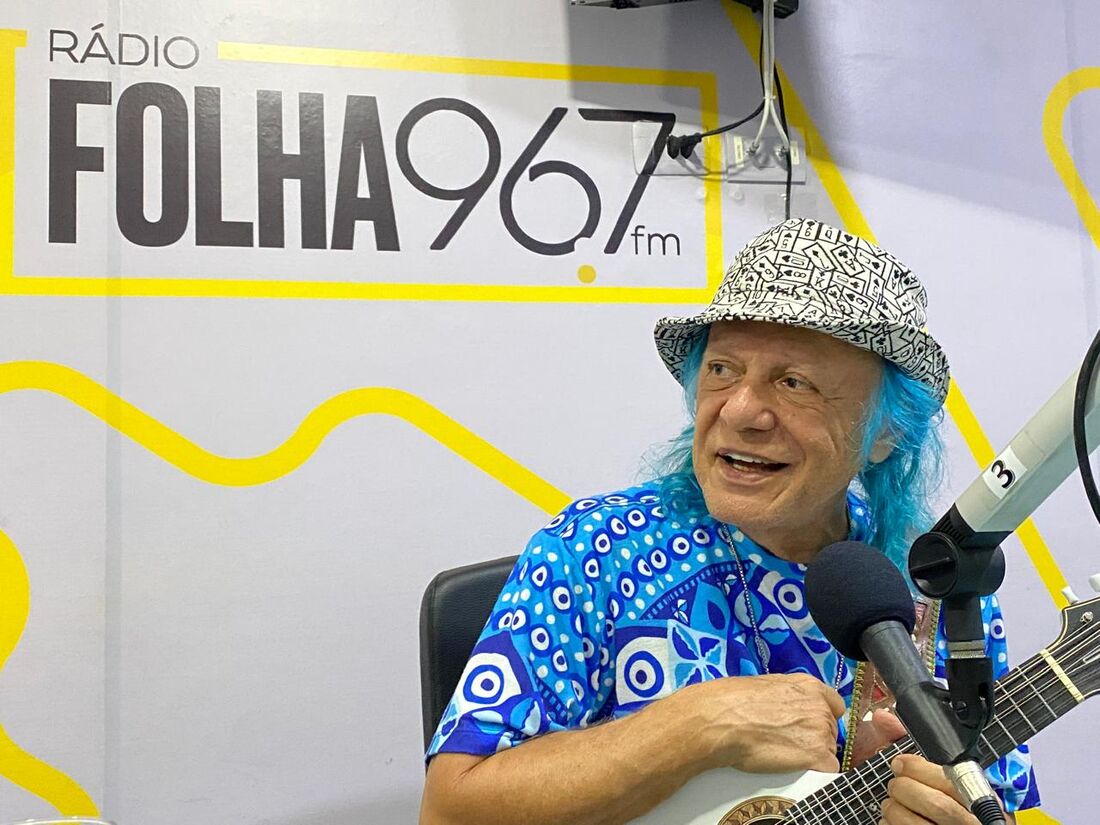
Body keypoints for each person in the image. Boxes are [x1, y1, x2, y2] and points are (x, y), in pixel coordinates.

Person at [419, 218, 1039, 825]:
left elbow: (999, 805)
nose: (740, 412)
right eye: (721, 370)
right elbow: (450, 811)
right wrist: (694, 727)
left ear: (886, 433)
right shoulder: (595, 549)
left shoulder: (938, 583)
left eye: (794, 383)